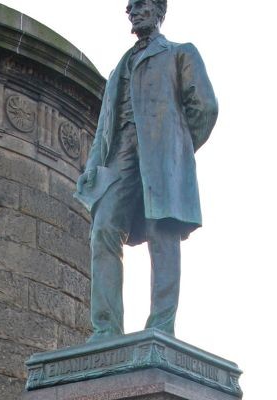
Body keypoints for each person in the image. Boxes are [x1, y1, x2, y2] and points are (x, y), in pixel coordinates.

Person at [74, 0, 218, 341]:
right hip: (120, 157)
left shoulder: (181, 53)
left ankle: (161, 325)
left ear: (158, 10)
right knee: (104, 229)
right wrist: (93, 165)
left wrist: (176, 150)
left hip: (161, 158)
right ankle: (106, 329)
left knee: (161, 232)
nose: (132, 10)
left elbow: (206, 108)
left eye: (139, 5)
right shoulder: (118, 69)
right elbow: (103, 129)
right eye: (129, 7)